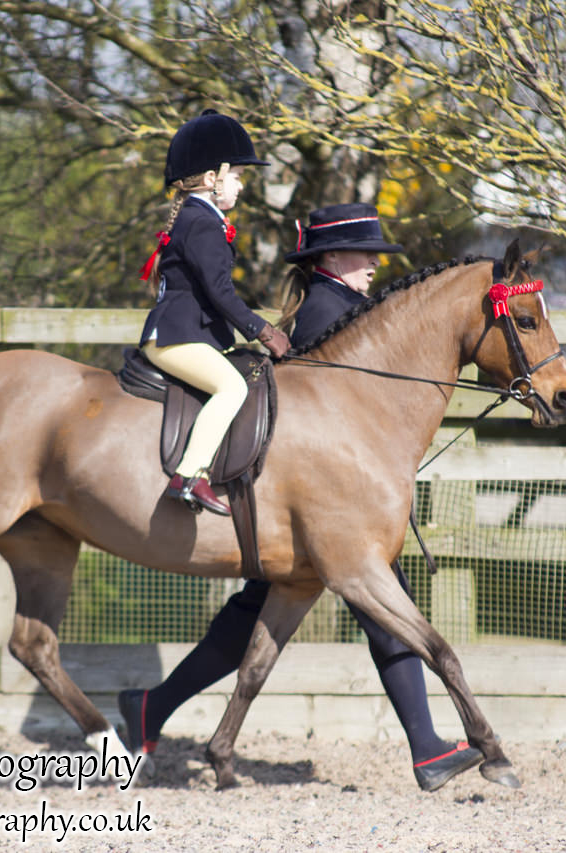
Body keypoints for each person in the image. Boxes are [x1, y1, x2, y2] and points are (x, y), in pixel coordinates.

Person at [121, 203, 485, 793]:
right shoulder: (326, 310)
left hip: (313, 505)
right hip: (314, 502)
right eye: (365, 254)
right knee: (384, 615)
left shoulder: (343, 305)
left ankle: (152, 708)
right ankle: (425, 749)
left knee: (250, 621)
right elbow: (326, 414)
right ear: (331, 258)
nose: (374, 264)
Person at [138, 109, 292, 516]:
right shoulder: (202, 222)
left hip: (182, 333)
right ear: (212, 179)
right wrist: (263, 330)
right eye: (238, 176)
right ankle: (189, 476)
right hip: (177, 337)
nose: (242, 186)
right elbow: (220, 292)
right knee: (233, 389)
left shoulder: (196, 217)